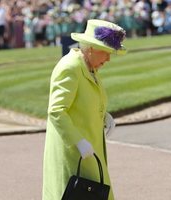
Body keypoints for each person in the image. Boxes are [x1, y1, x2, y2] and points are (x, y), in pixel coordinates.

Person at [42, 19, 127, 200]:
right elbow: (56, 110)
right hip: (74, 154)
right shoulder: (70, 67)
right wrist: (78, 141)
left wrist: (104, 115)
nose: (109, 58)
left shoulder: (90, 67)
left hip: (89, 151)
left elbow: (86, 100)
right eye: (107, 53)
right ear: (91, 48)